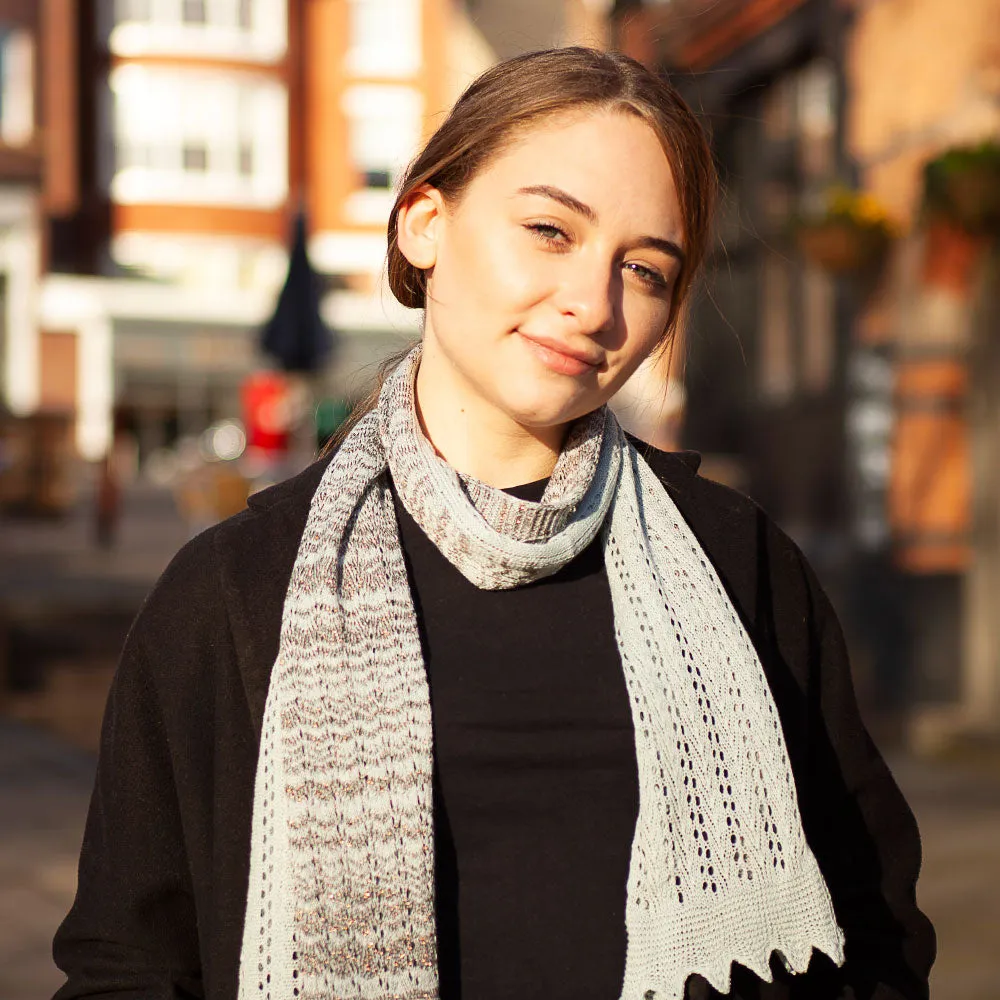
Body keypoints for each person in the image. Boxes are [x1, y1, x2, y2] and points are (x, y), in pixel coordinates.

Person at [52, 47, 934, 1000]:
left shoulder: (738, 563)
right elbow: (127, 967)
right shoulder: (235, 592)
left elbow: (874, 924)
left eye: (642, 269)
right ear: (425, 220)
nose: (592, 305)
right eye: (551, 230)